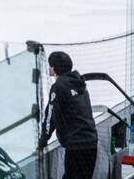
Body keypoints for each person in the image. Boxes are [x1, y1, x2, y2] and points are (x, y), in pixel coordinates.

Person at [39, 51, 97, 179]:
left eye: (50, 65)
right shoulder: (79, 82)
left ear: (54, 68)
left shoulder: (58, 87)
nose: (49, 68)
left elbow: (50, 116)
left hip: (76, 145)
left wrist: (42, 141)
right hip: (91, 141)